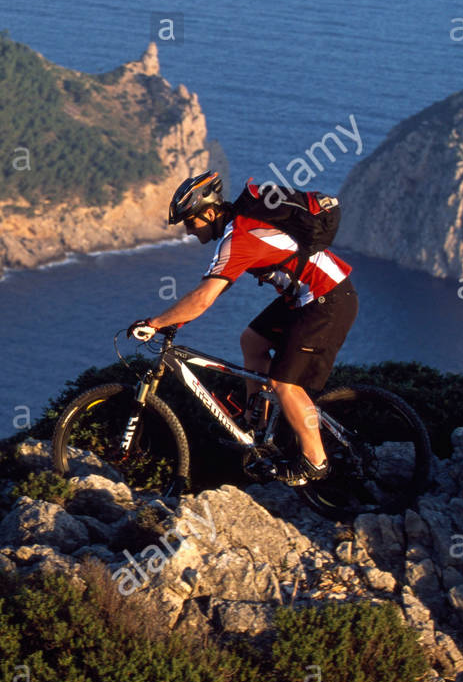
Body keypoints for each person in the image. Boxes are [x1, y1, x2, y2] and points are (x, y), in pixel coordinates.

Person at [129, 170, 358, 485]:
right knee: (252, 341)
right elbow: (211, 293)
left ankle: (315, 463)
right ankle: (256, 424)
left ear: (210, 212)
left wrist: (154, 323)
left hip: (326, 299)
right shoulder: (237, 230)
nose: (187, 230)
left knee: (283, 384)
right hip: (308, 296)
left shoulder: (239, 237)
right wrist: (174, 320)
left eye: (190, 221)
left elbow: (204, 297)